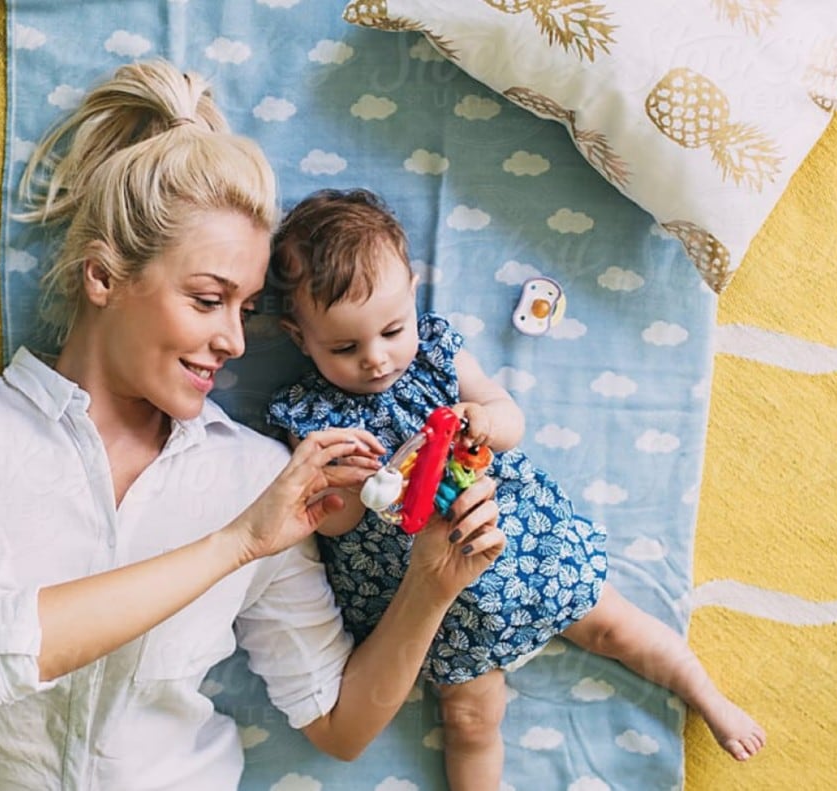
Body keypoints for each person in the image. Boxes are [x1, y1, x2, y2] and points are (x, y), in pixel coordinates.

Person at [0, 62, 506, 790]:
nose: (235, 341)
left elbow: (338, 723)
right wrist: (236, 543)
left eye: (245, 309)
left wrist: (431, 583)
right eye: (209, 300)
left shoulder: (259, 475)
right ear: (104, 277)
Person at [266, 188, 767, 791]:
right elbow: (331, 523)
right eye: (344, 348)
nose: (376, 359)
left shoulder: (434, 355)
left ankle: (704, 694)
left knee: (615, 627)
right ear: (300, 338)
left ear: (412, 297)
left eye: (391, 330)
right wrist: (343, 488)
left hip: (520, 544)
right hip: (431, 600)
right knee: (472, 719)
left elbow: (506, 414)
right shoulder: (312, 420)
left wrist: (487, 423)